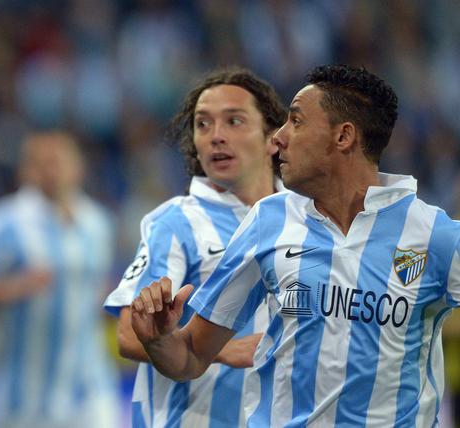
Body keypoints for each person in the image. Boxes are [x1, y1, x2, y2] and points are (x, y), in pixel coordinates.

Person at [131, 64, 457, 426]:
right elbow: (191, 355)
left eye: (296, 121)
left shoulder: (435, 236)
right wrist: (158, 340)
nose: (278, 137)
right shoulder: (268, 220)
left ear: (343, 136)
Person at [104, 68, 286, 427]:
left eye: (234, 121)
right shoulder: (176, 223)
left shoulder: (306, 220)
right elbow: (128, 335)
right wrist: (222, 349)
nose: (216, 136)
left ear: (273, 139)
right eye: (203, 124)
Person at [0, 132, 120, 428]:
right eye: (41, 163)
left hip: (90, 393)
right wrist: (13, 289)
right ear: (25, 171)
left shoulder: (96, 222)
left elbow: (97, 292)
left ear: (78, 167)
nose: (51, 171)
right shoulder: (4, 223)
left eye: (58, 162)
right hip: (22, 400)